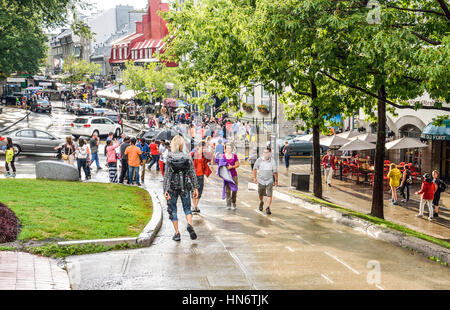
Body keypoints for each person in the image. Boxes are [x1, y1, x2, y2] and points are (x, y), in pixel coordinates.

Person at [163, 135, 199, 242]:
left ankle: (177, 233)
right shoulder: (187, 156)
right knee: (187, 208)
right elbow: (192, 173)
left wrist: (165, 189)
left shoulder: (169, 157)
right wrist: (195, 187)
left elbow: (167, 175)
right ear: (182, 144)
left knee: (173, 209)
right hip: (185, 185)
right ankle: (189, 224)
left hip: (173, 186)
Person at [253, 147, 278, 215]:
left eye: (266, 152)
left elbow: (275, 172)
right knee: (261, 194)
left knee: (269, 194)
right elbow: (254, 169)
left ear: (270, 153)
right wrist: (254, 178)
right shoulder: (259, 160)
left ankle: (268, 207)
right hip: (261, 180)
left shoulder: (272, 161)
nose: (265, 154)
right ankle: (261, 202)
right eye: (264, 152)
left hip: (269, 180)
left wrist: (276, 181)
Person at [191, 141, 212, 213]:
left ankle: (196, 206)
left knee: (200, 190)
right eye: (202, 147)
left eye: (204, 148)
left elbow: (210, 158)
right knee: (193, 190)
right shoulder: (193, 154)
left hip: (201, 175)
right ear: (198, 147)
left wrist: (207, 151)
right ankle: (194, 206)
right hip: (193, 175)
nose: (203, 149)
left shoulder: (204, 155)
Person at [216, 143, 240, 209]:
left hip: (233, 175)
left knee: (235, 189)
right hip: (226, 176)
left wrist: (232, 166)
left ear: (232, 149)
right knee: (227, 190)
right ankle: (228, 204)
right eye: (227, 148)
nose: (228, 149)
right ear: (225, 149)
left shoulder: (234, 156)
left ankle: (233, 201)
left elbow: (238, 164)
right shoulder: (223, 156)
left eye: (230, 148)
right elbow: (219, 164)